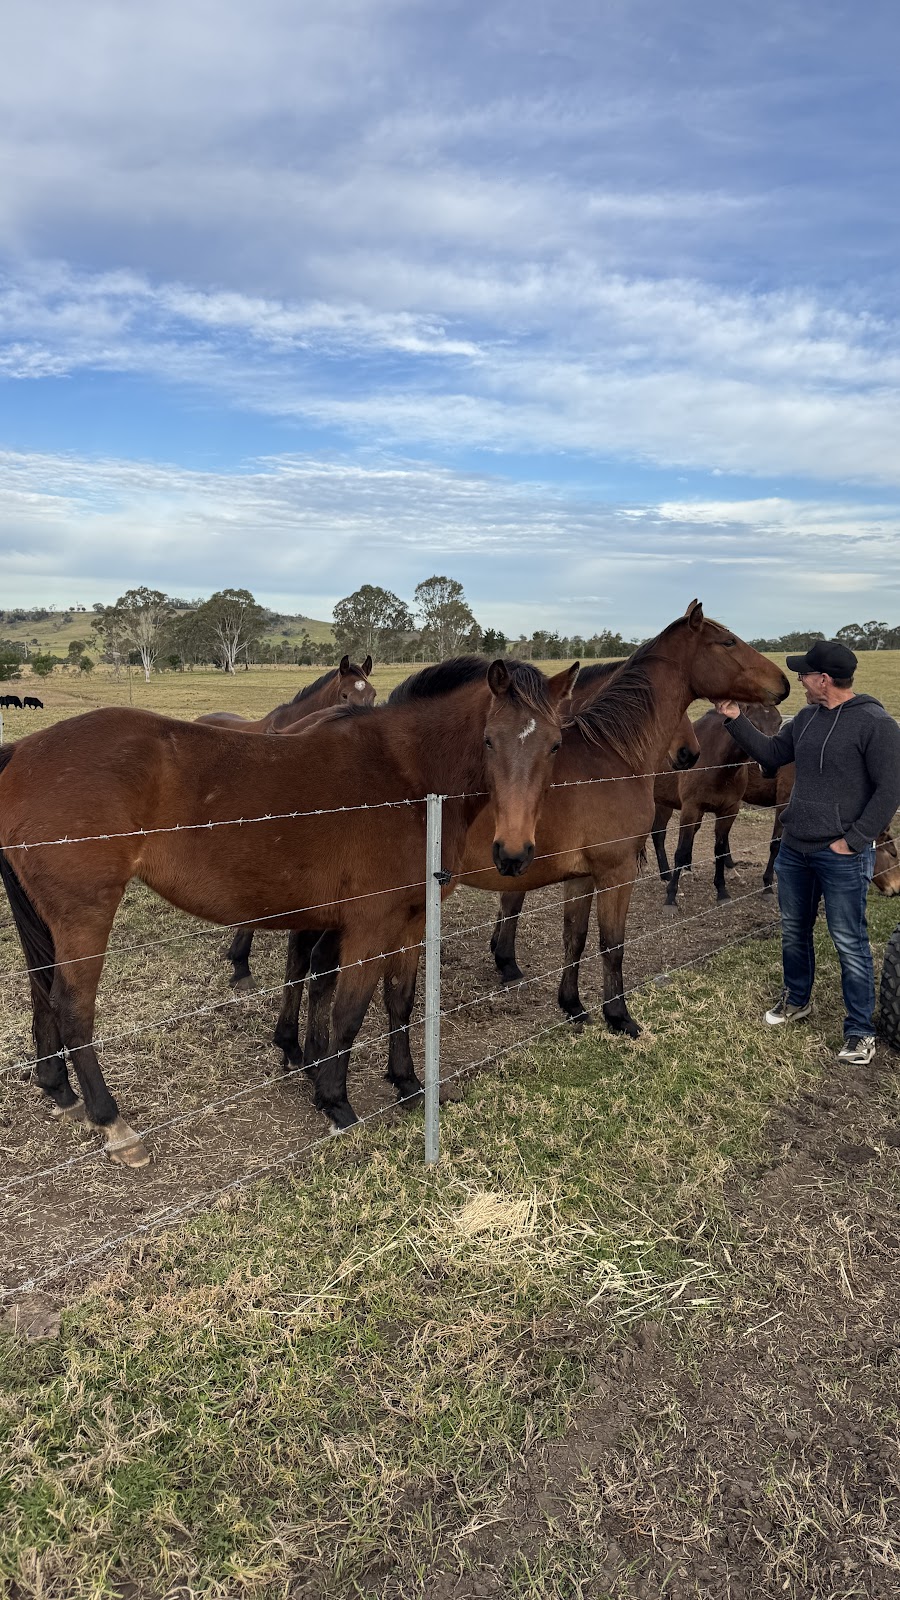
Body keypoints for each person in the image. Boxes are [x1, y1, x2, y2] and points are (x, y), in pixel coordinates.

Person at [714, 639, 900, 1065]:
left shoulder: (876, 724)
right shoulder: (806, 719)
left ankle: (859, 1031)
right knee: (794, 931)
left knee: (849, 941)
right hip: (796, 849)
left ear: (824, 679)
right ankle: (798, 1000)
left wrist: (853, 841)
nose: (799, 679)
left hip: (842, 856)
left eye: (804, 673)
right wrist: (734, 718)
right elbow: (772, 753)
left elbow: (890, 790)